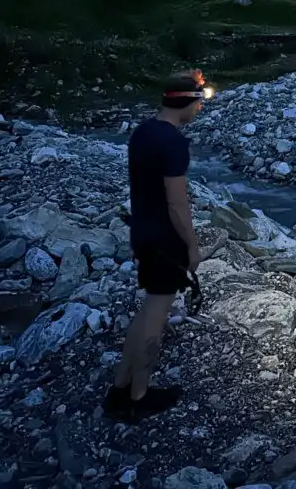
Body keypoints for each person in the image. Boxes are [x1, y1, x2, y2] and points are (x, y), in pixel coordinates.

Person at [104, 70, 209, 420]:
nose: (200, 109)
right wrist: (192, 247)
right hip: (166, 241)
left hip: (144, 234)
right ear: (186, 102)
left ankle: (120, 388)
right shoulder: (174, 142)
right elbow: (177, 202)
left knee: (148, 309)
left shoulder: (143, 133)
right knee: (156, 317)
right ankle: (139, 396)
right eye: (199, 101)